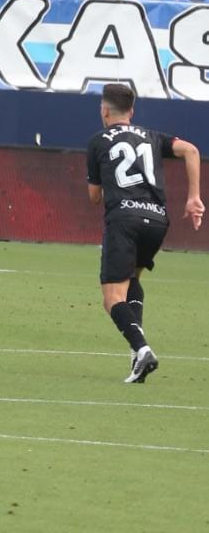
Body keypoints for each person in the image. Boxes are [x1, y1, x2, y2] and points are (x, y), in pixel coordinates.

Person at [86, 81, 204, 383]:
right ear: (132, 111)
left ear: (104, 110)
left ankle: (141, 349)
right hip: (157, 220)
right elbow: (191, 150)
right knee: (132, 280)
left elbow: (94, 196)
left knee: (112, 297)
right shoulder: (152, 136)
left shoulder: (99, 140)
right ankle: (136, 357)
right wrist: (193, 197)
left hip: (124, 219)